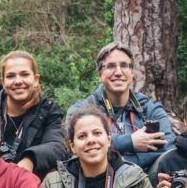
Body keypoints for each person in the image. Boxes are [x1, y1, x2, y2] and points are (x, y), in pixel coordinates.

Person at [67, 42, 174, 171]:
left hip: (145, 182)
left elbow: (169, 147)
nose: (118, 72)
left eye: (124, 65)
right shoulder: (82, 110)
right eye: (111, 66)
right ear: (99, 74)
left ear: (132, 73)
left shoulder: (149, 109)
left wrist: (123, 165)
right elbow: (76, 147)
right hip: (100, 178)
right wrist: (130, 142)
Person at [0, 51, 65, 177]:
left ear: (36, 79)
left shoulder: (49, 111)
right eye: (11, 76)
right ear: (3, 82)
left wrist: (30, 159)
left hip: (33, 184)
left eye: (24, 74)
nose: (18, 81)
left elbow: (57, 146)